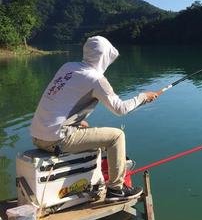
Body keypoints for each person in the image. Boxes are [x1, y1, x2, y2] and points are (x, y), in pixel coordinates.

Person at [30, 36, 158, 202]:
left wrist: (76, 121)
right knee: (116, 136)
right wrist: (142, 97)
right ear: (104, 57)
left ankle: (90, 180)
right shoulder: (96, 79)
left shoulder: (68, 67)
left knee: (88, 129)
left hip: (37, 136)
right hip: (56, 138)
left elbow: (61, 101)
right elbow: (120, 109)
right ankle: (116, 190)